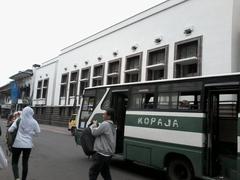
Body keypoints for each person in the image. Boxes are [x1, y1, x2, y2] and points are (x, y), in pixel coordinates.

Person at [8, 107, 40, 180]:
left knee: (14, 162)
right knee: (25, 163)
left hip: (17, 144)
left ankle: (17, 178)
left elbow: (10, 130)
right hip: (28, 145)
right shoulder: (34, 122)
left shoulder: (18, 120)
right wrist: (30, 133)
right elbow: (38, 133)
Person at [89, 109, 116, 180]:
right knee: (105, 173)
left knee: (93, 172)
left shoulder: (105, 124)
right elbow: (103, 130)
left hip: (102, 153)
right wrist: (98, 125)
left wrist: (94, 125)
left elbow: (94, 132)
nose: (103, 115)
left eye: (104, 114)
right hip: (108, 154)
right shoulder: (112, 125)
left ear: (109, 116)